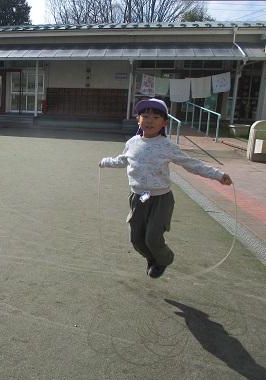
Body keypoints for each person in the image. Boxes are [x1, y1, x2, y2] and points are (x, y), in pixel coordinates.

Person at [99, 98, 232, 278]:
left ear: (164, 123)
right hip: (141, 196)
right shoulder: (132, 142)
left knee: (153, 237)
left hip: (160, 198)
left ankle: (165, 259)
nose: (149, 120)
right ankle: (152, 258)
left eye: (155, 117)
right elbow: (122, 160)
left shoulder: (167, 146)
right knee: (136, 239)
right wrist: (106, 162)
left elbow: (191, 163)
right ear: (138, 120)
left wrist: (217, 175)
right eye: (145, 116)